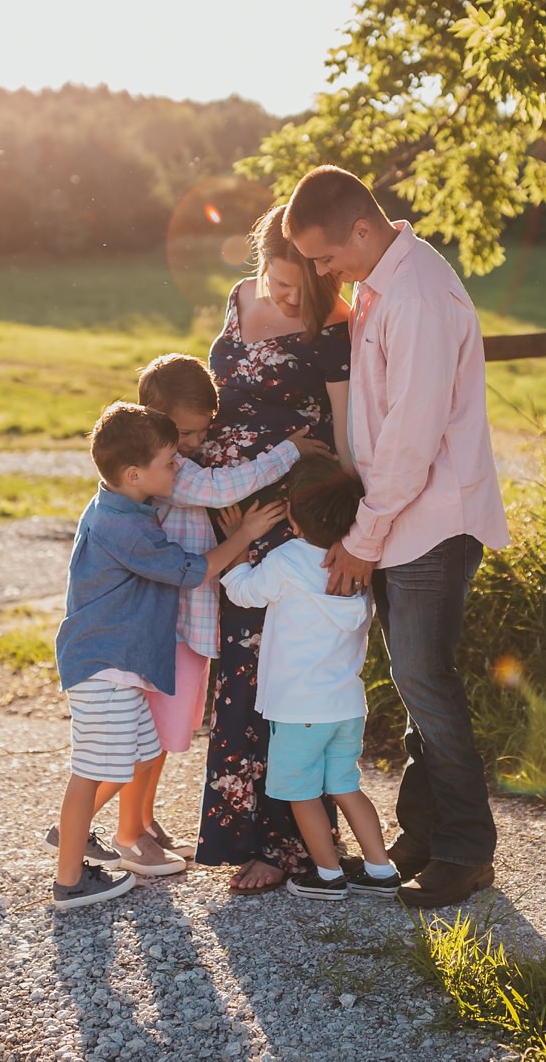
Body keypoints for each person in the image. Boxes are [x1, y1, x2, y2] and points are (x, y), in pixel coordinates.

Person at [283, 166, 510, 909]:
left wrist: (363, 538)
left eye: (323, 257)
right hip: (402, 521)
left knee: (428, 685)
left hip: (429, 523)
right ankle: (421, 833)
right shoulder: (384, 281)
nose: (322, 273)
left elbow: (411, 441)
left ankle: (468, 851)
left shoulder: (414, 297)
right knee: (417, 685)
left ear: (360, 228)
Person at [59, 353, 331, 875]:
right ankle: (107, 832)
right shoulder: (166, 477)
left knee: (156, 737)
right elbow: (216, 497)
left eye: (198, 432)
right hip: (167, 625)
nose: (192, 446)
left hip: (173, 624)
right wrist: (287, 454)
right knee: (148, 738)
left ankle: (134, 823)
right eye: (183, 433)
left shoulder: (154, 469)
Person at [50, 401, 284, 911]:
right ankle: (69, 878)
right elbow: (193, 570)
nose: (179, 469)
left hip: (118, 664)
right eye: (170, 462)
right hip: (103, 665)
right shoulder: (124, 528)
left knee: (134, 751)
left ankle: (71, 834)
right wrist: (244, 535)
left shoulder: (126, 504)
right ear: (135, 474)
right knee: (91, 769)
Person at [195, 203, 356, 893]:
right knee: (237, 673)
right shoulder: (237, 299)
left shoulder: (336, 322)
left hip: (295, 513)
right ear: (263, 260)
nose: (290, 297)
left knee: (285, 678)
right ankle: (239, 831)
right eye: (280, 282)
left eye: (301, 286)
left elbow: (346, 436)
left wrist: (350, 524)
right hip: (233, 512)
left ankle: (287, 843)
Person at [218, 455, 400, 901]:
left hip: (299, 709)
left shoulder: (288, 559)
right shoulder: (357, 567)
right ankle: (381, 870)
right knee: (345, 786)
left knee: (301, 793)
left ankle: (328, 875)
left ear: (293, 518)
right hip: (345, 707)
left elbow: (242, 590)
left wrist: (238, 543)